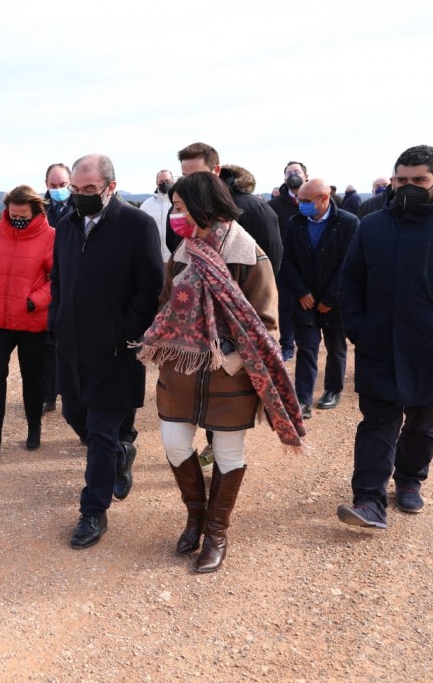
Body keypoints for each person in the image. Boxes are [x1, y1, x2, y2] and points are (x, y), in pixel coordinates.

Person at [135, 171, 304, 573]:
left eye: (179, 208)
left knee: (228, 452)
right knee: (175, 444)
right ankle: (194, 516)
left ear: (201, 206)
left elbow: (265, 323)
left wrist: (229, 358)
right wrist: (167, 336)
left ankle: (216, 532)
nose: (175, 215)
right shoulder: (183, 251)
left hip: (230, 375)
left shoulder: (249, 254)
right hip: (181, 369)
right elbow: (164, 302)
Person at [337, 145, 433, 529]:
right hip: (380, 342)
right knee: (378, 422)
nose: (407, 186)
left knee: (424, 423)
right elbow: (350, 280)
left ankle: (409, 480)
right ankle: (369, 500)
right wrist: (357, 327)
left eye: (418, 180)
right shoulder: (373, 225)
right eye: (401, 179)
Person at [49, 153, 163, 549]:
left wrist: (124, 333)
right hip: (71, 345)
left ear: (110, 187)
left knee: (100, 430)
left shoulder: (137, 225)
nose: (80, 197)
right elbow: (59, 279)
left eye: (89, 190)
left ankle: (93, 512)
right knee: (73, 414)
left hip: (113, 351)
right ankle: (120, 453)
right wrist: (57, 318)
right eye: (76, 190)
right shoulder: (66, 224)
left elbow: (150, 288)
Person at [168, 144, 284, 472]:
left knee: (226, 445)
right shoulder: (182, 235)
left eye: (194, 178)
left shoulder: (253, 214)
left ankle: (214, 521)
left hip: (230, 358)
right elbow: (168, 292)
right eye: (183, 177)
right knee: (177, 442)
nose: (186, 184)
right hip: (188, 360)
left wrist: (232, 354)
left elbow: (267, 271)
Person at [0, 186, 55, 457]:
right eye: (13, 212)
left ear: (35, 211)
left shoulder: (49, 236)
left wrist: (34, 301)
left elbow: (56, 279)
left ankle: (34, 429)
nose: (17, 217)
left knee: (32, 379)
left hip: (32, 322)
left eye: (23, 214)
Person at [281, 178, 358, 420]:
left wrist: (330, 298)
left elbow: (350, 264)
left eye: (305, 201)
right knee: (306, 348)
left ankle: (332, 390)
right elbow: (287, 260)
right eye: (299, 200)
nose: (300, 205)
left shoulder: (347, 222)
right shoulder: (295, 223)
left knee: (336, 347)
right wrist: (302, 292)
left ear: (324, 199)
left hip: (334, 302)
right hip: (305, 299)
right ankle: (303, 398)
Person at [268, 161, 308, 361]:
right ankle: (286, 345)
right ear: (284, 177)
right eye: (289, 172)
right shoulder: (274, 206)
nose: (293, 175)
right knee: (286, 306)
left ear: (306, 175)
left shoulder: (317, 200)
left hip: (312, 262)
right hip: (285, 263)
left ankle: (308, 342)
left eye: (297, 172)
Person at [40, 163, 72, 413]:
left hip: (76, 282)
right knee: (48, 343)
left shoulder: (81, 208)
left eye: (63, 185)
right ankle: (48, 394)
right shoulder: (39, 210)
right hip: (48, 284)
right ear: (46, 186)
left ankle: (75, 393)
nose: (58, 190)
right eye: (53, 186)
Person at [141, 170, 175, 263]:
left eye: (167, 181)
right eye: (161, 181)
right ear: (157, 183)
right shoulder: (146, 205)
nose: (164, 183)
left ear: (172, 181)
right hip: (154, 257)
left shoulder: (179, 203)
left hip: (176, 258)